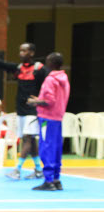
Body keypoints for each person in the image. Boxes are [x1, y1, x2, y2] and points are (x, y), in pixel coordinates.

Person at [0, 38, 47, 179]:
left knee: (27, 138)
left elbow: (47, 87)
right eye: (20, 50)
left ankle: (17, 169)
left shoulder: (39, 69)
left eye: (24, 50)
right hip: (21, 110)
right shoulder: (18, 68)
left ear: (32, 52)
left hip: (34, 110)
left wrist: (41, 101)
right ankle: (38, 169)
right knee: (30, 140)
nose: (21, 53)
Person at [28, 52, 70, 191]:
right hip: (58, 118)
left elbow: (49, 101)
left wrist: (36, 102)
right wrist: (40, 99)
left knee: (46, 148)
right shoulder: (64, 79)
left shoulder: (50, 80)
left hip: (47, 118)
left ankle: (48, 181)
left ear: (51, 63)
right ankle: (56, 179)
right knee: (56, 148)